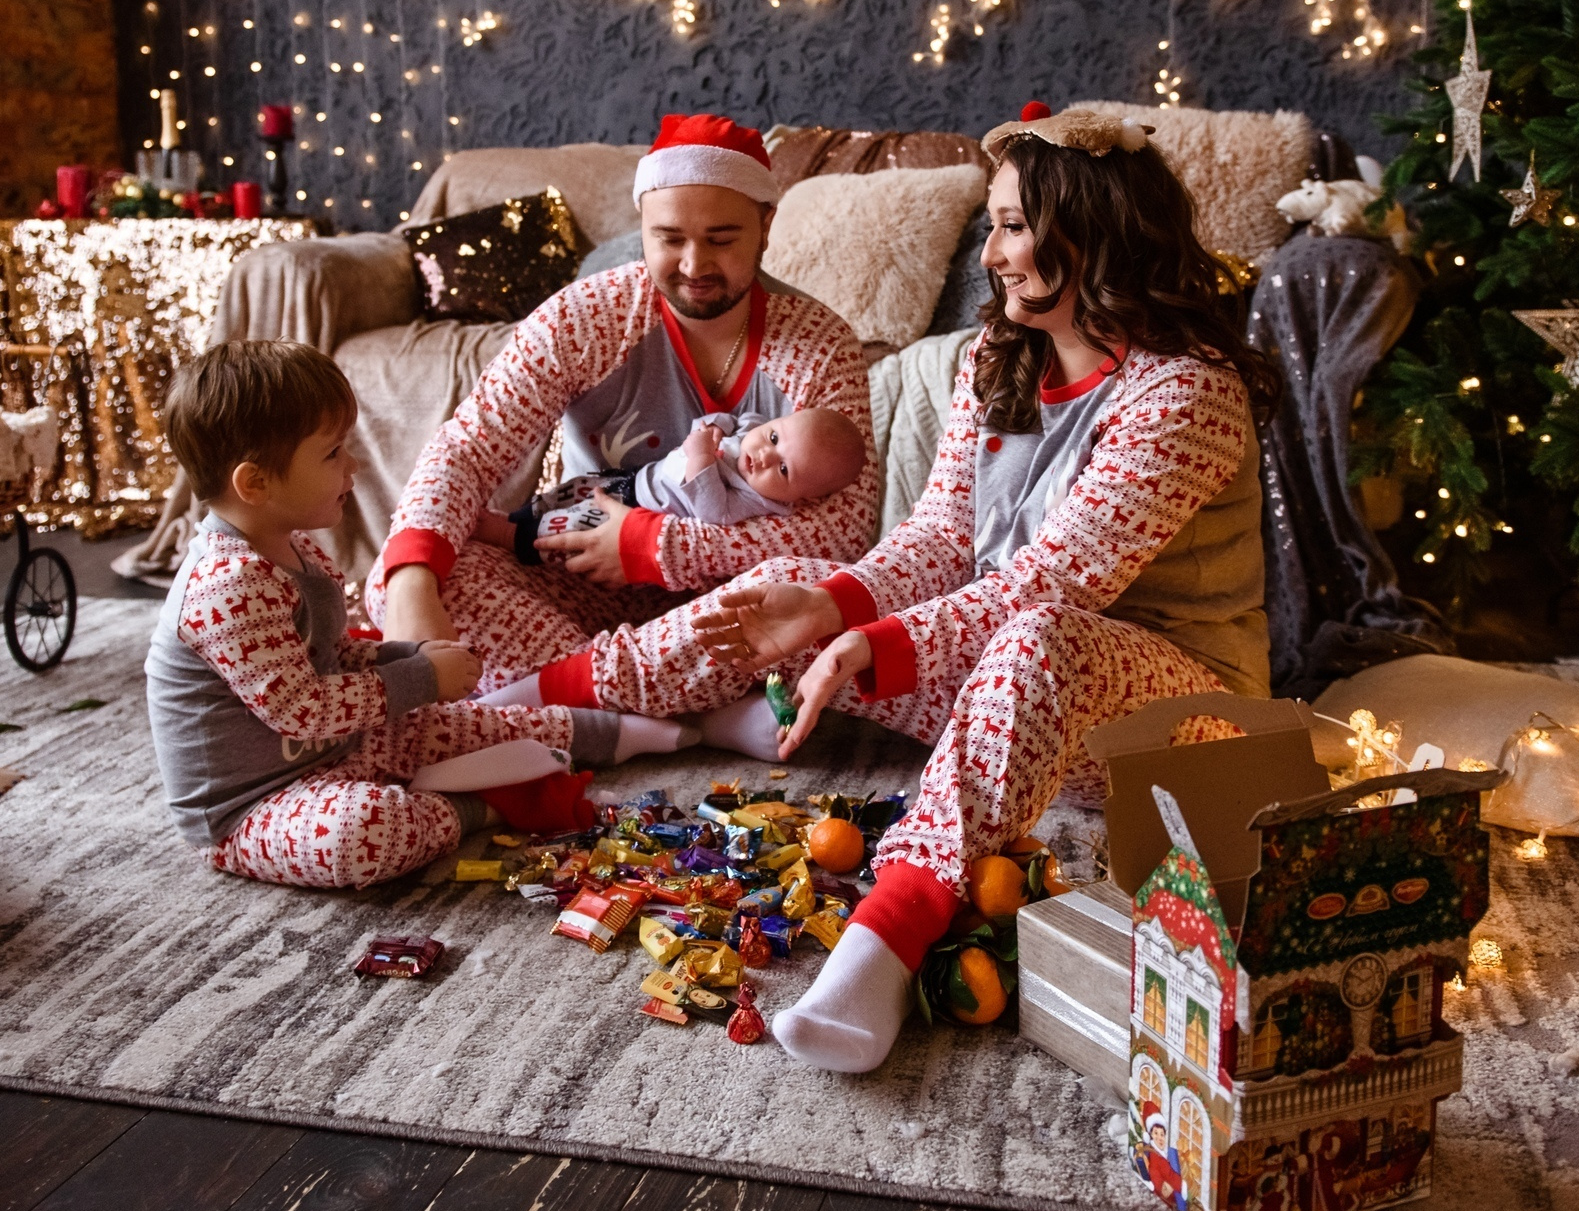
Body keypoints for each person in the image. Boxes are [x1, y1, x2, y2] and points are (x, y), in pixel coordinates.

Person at [566, 101, 1279, 1072]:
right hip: (998, 686)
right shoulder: (1001, 358)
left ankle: (887, 940)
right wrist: (831, 606)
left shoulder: (1181, 393)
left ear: (1099, 230)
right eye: (995, 223)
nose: (993, 252)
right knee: (786, 580)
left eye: (1016, 224)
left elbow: (1052, 581)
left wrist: (876, 640)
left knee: (1035, 634)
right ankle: (548, 708)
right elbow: (944, 537)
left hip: (1175, 713)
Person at [143, 341, 693, 891]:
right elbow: (303, 709)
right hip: (255, 804)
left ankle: (637, 735)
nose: (352, 465)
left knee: (470, 722)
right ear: (255, 484)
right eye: (333, 454)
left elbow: (330, 658)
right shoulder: (226, 586)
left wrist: (407, 655)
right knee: (363, 832)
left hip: (342, 748)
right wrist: (420, 677)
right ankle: (480, 805)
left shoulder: (291, 548)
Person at [371, 113, 877, 701]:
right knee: (411, 569)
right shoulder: (588, 316)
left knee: (816, 590)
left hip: (732, 611)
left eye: (721, 239)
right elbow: (470, 448)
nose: (694, 266)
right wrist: (412, 588)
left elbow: (844, 533)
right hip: (583, 585)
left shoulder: (822, 345)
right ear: (641, 224)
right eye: (669, 238)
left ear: (766, 226)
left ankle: (570, 699)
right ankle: (670, 708)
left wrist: (651, 547)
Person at [475, 406, 869, 566]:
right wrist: (715, 425)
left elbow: (714, 512)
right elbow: (736, 419)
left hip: (635, 512)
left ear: (804, 498)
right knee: (571, 491)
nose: (765, 456)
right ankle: (520, 514)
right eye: (775, 439)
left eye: (784, 470)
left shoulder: (761, 501)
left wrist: (700, 457)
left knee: (570, 527)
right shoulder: (753, 427)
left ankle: (509, 534)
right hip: (637, 476)